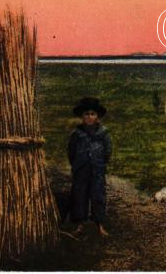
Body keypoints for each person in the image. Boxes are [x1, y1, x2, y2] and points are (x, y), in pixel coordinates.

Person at [68, 97, 112, 237]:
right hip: (81, 170)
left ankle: (100, 225)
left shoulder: (103, 133)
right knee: (79, 195)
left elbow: (107, 151)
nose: (89, 117)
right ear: (82, 116)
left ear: (97, 116)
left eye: (92, 114)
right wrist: (78, 164)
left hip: (97, 170)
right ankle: (80, 224)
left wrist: (100, 163)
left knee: (98, 195)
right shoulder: (76, 134)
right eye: (86, 114)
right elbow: (71, 152)